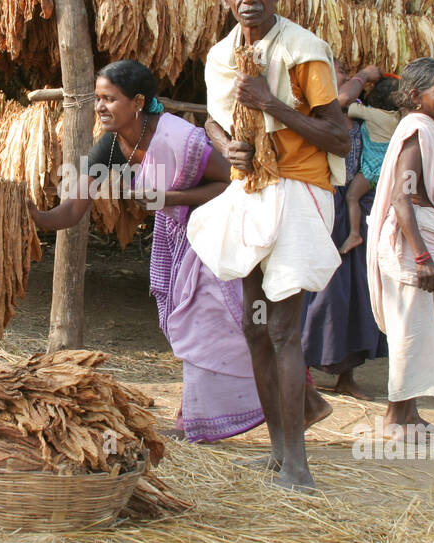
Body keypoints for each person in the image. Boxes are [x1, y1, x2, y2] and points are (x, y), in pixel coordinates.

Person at [30, 59, 289, 442]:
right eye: (97, 99)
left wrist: (168, 196)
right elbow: (71, 209)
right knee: (192, 328)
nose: (100, 107)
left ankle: (227, 416)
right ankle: (209, 415)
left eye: (109, 99)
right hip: (177, 241)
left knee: (215, 328)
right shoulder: (110, 147)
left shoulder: (178, 137)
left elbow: (232, 182)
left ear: (137, 101)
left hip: (215, 237)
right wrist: (32, 215)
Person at [187, 0, 350, 492]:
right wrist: (225, 145)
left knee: (282, 329)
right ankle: (279, 452)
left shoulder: (305, 51)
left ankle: (299, 467)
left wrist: (273, 105)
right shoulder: (220, 57)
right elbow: (213, 119)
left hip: (300, 192)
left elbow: (339, 137)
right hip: (250, 190)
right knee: (255, 326)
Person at [366, 57, 434, 433]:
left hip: (419, 242)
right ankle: (394, 418)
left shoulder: (425, 130)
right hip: (411, 248)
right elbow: (402, 200)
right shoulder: (416, 132)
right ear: (414, 95)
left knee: (418, 330)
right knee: (409, 331)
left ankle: (410, 414)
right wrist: (422, 257)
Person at [301, 64, 389, 400]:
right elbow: (340, 100)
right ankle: (303, 372)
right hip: (322, 207)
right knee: (318, 294)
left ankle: (346, 377)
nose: (337, 82)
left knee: (355, 294)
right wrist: (365, 76)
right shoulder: (319, 115)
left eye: (338, 75)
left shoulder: (365, 118)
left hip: (353, 212)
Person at [340, 75, 401, 255]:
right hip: (390, 170)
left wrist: (361, 79)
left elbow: (347, 105)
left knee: (352, 197)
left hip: (371, 170)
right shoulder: (398, 117)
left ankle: (354, 234)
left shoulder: (371, 114)